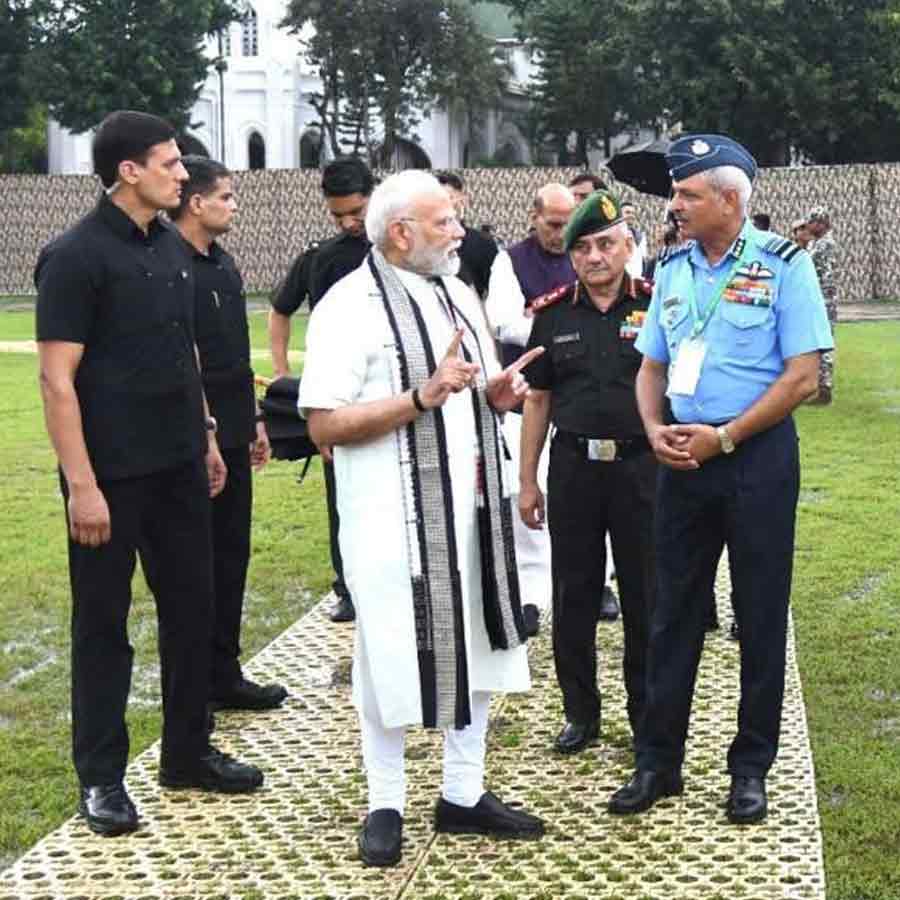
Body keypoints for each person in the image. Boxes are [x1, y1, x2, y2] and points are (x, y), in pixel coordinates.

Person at [299, 170, 545, 867]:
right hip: (392, 522)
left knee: (480, 644)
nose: (460, 232)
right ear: (401, 233)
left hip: (470, 512)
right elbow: (323, 424)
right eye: (445, 222)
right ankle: (386, 803)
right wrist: (419, 397)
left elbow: (470, 394)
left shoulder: (457, 292)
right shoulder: (348, 306)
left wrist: (497, 394)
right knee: (387, 654)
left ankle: (462, 793)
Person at [35, 111, 264, 837]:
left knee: (192, 610)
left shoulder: (170, 247)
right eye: (169, 163)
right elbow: (56, 381)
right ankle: (101, 779)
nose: (182, 174)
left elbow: (184, 353)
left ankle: (187, 754)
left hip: (179, 466)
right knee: (104, 626)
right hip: (109, 476)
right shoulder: (74, 256)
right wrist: (82, 486)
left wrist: (207, 437)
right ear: (128, 171)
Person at [608, 134, 833, 825]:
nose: (674, 205)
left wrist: (727, 437)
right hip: (682, 458)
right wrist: (653, 429)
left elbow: (803, 376)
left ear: (730, 200)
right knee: (672, 611)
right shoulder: (673, 268)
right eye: (676, 193)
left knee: (759, 614)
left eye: (687, 194)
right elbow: (652, 364)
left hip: (756, 459)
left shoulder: (785, 265)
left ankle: (750, 767)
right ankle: (658, 762)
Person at [519, 191, 656, 755]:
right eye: (582, 249)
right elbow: (537, 400)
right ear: (570, 256)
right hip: (574, 469)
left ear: (627, 246)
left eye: (605, 244)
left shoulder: (656, 306)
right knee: (573, 595)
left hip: (641, 470)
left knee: (646, 596)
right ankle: (580, 712)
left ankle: (647, 715)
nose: (594, 257)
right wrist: (527, 480)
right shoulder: (552, 315)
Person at [166, 155, 287, 712]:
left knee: (231, 556)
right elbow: (185, 359)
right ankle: (196, 686)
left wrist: (256, 419)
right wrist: (208, 432)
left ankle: (224, 672)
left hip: (236, 429)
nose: (234, 206)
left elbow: (233, 352)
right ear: (196, 203)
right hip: (197, 437)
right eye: (226, 196)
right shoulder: (170, 264)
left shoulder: (223, 263)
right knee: (197, 565)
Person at [268, 156, 375, 623]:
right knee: (341, 496)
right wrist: (281, 376)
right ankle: (347, 587)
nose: (349, 223)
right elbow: (280, 311)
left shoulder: (399, 248)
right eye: (338, 215)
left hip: (393, 392)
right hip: (339, 397)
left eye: (357, 211)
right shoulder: (321, 258)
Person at [435, 170, 499, 297]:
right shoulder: (423, 242)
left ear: (463, 200)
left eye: (449, 198)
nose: (442, 205)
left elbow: (496, 292)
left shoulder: (483, 244)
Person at [806, 207, 839, 405]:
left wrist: (821, 298)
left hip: (824, 299)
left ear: (821, 223)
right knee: (815, 342)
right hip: (815, 298)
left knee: (824, 341)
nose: (808, 226)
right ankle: (817, 386)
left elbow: (827, 276)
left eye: (812, 222)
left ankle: (825, 389)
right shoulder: (815, 243)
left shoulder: (826, 244)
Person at [621, 201, 647, 278]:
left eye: (633, 213)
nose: (631, 215)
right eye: (627, 212)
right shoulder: (613, 235)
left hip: (636, 280)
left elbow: (643, 261)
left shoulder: (640, 237)